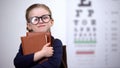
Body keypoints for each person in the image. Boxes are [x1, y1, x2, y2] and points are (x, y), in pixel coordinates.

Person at [14, 3, 63, 68]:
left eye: (45, 17)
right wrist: (42, 53)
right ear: (29, 26)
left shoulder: (56, 43)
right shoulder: (25, 44)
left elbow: (53, 64)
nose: (40, 21)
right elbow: (18, 63)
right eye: (35, 19)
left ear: (51, 22)